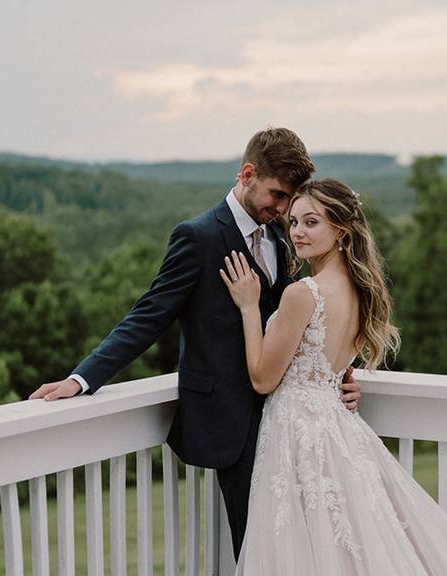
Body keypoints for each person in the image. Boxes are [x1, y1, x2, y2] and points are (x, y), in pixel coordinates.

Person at [28, 128, 362, 558]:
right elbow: (148, 316)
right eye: (278, 195)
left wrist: (335, 374)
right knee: (258, 552)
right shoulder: (198, 237)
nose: (284, 210)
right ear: (247, 174)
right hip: (230, 422)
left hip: (287, 423)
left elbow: (299, 323)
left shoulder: (280, 236)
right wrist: (81, 378)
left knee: (304, 548)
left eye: (291, 200)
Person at [220, 178, 447, 575]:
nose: (297, 232)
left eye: (311, 222)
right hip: (337, 426)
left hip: (297, 431)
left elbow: (263, 379)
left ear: (341, 229)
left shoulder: (302, 293)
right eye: (294, 222)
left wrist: (249, 307)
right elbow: (328, 361)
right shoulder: (360, 290)